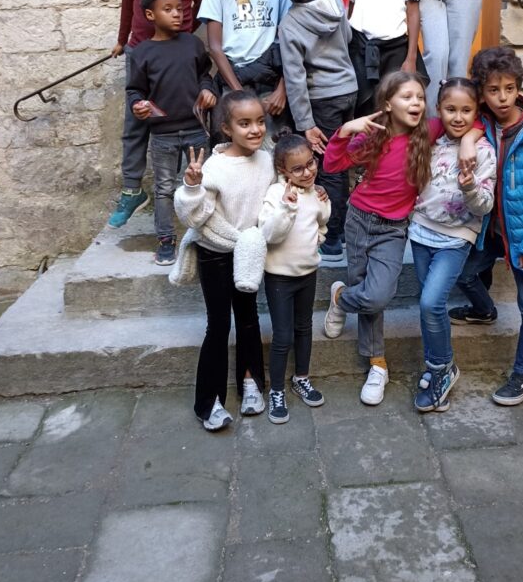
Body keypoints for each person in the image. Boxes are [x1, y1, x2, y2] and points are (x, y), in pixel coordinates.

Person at [451, 47, 523, 406]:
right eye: (493, 90)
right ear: (481, 92)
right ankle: (484, 311)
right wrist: (469, 138)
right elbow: (460, 121)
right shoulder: (483, 122)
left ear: (519, 88)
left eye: (510, 88)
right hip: (493, 229)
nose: (502, 98)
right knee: (465, 274)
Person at [321, 72, 432, 406]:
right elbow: (331, 162)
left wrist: (470, 140)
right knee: (365, 288)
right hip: (359, 220)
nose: (416, 103)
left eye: (420, 98)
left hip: (394, 229)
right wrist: (344, 131)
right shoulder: (374, 137)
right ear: (387, 104)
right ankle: (377, 364)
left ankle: (340, 299)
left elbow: (467, 122)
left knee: (377, 295)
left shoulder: (430, 132)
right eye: (407, 97)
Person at [173, 89, 273, 430]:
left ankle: (252, 383)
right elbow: (195, 216)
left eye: (260, 121)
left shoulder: (267, 160)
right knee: (219, 325)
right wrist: (191, 186)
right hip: (215, 254)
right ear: (227, 128)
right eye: (244, 123)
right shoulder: (214, 167)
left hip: (249, 252)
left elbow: (275, 200)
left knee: (248, 319)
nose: (255, 130)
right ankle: (209, 402)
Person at [108, 0, 208, 228]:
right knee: (135, 124)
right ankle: (132, 190)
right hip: (139, 52)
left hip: (176, 56)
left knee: (182, 120)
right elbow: (128, 3)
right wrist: (122, 40)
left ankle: (189, 192)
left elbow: (204, 7)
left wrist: (182, 39)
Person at [409, 78, 495, 412]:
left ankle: (444, 367)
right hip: (420, 232)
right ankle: (436, 367)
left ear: (476, 112)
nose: (458, 117)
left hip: (456, 239)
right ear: (439, 110)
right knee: (426, 304)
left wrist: (470, 185)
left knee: (432, 303)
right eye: (450, 109)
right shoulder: (430, 141)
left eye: (466, 110)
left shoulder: (483, 151)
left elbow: (484, 206)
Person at [272, 0, 358, 264]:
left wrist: (306, 123)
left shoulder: (291, 24)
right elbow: (347, 37)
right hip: (349, 89)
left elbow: (295, 78)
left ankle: (332, 239)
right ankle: (346, 229)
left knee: (328, 166)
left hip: (321, 98)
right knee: (344, 160)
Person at [125, 0, 216, 265]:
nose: (177, 14)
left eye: (181, 8)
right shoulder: (142, 53)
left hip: (196, 131)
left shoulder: (192, 43)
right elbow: (135, 90)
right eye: (168, 9)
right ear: (151, 15)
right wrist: (137, 105)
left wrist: (208, 90)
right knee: (164, 188)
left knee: (203, 183)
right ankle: (166, 240)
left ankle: (206, 236)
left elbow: (205, 75)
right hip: (162, 135)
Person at [259, 134, 331, 424]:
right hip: (279, 277)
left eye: (310, 163)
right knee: (283, 335)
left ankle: (302, 377)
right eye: (297, 169)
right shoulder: (275, 195)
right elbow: (270, 234)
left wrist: (319, 235)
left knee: (304, 329)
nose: (307, 172)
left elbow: (321, 220)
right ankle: (276, 390)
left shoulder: (315, 192)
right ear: (283, 171)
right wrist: (287, 206)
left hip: (308, 273)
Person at [198, 0, 290, 127]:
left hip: (270, 83)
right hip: (234, 80)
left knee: (272, 150)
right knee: (236, 149)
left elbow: (290, 41)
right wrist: (238, 93)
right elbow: (215, 47)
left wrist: (282, 89)